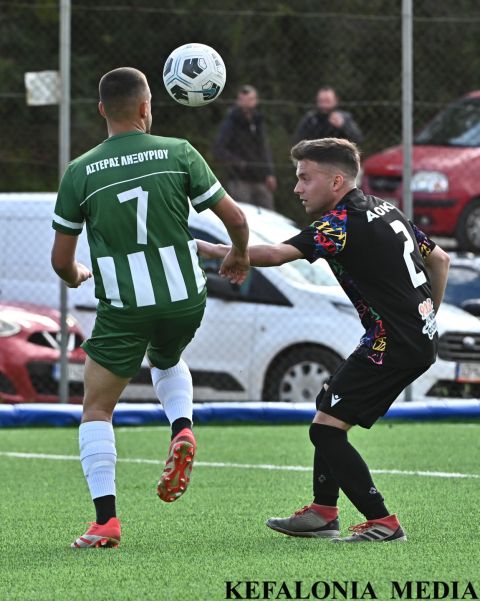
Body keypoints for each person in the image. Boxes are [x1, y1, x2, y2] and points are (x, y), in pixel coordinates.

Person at [197, 137, 450, 543]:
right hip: (409, 338)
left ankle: (382, 522)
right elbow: (439, 259)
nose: (297, 187)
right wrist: (427, 317)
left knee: (326, 431)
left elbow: (277, 255)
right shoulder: (385, 210)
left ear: (336, 182)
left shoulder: (340, 223)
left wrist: (212, 249)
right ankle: (322, 512)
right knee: (327, 408)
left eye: (305, 178)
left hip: (393, 343)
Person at [51, 67, 249, 549]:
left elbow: (60, 261)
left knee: (98, 408)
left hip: (125, 306)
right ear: (146, 107)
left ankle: (106, 522)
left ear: (102, 110)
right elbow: (237, 219)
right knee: (167, 356)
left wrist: (76, 275)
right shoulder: (179, 152)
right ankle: (182, 427)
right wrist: (239, 255)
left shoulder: (80, 172)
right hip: (185, 298)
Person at [213, 85, 277, 210]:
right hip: (239, 179)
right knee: (244, 213)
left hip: (260, 178)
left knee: (269, 213)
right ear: (238, 101)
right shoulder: (231, 122)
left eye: (250, 99)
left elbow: (264, 148)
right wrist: (238, 163)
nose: (247, 103)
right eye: (243, 100)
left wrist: (270, 173)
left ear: (256, 101)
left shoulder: (258, 121)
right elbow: (219, 149)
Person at [294, 87, 363, 145]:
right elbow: (298, 142)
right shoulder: (310, 119)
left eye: (327, 101)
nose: (324, 105)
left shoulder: (345, 117)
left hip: (339, 155)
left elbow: (358, 140)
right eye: (321, 101)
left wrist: (343, 126)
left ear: (336, 101)